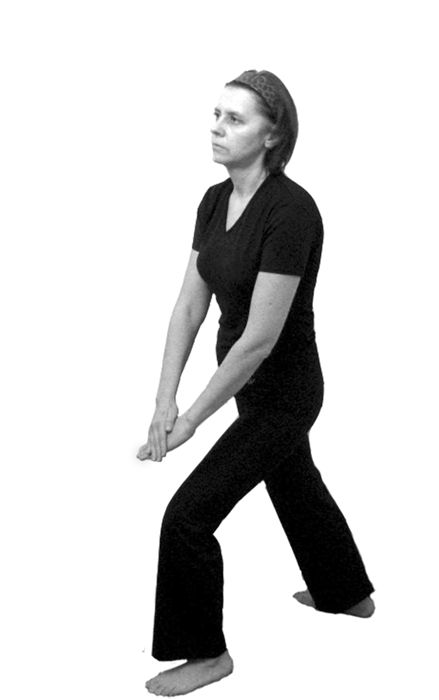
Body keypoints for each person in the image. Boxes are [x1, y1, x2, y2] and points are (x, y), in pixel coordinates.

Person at [137, 69, 375, 697]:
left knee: (188, 517)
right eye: (216, 115)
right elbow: (189, 305)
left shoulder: (291, 212)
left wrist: (191, 421)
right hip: (246, 385)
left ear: (272, 136)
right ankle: (347, 593)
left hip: (286, 391)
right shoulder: (214, 201)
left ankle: (206, 654)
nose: (217, 128)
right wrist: (163, 401)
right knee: (295, 483)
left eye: (235, 119)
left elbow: (259, 341)